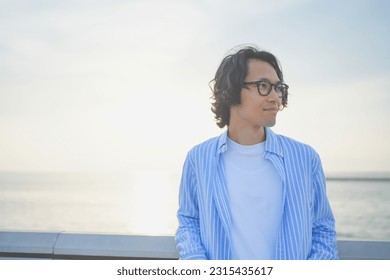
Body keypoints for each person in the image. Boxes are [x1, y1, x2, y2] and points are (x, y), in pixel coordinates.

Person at [175, 45, 338, 260]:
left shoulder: (305, 158)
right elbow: (189, 222)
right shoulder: (199, 158)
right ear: (231, 90)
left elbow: (323, 229)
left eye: (278, 87)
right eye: (263, 86)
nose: (275, 97)